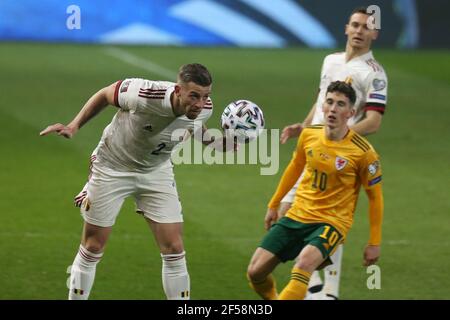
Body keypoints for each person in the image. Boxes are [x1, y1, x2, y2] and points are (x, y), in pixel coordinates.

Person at [40, 63, 216, 300]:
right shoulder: (144, 93)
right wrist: (74, 125)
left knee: (174, 248)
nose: (200, 103)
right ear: (178, 90)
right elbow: (104, 94)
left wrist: (227, 143)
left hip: (156, 171)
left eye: (205, 96)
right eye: (194, 96)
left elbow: (197, 128)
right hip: (112, 166)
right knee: (93, 246)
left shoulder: (204, 108)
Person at [278, 6, 388, 299]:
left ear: (374, 34)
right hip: (312, 148)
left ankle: (328, 289)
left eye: (366, 27)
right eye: (355, 25)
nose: (359, 31)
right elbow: (321, 101)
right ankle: (314, 277)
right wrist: (303, 127)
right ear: (346, 28)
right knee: (286, 212)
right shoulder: (331, 61)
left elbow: (374, 121)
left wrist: (340, 139)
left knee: (327, 220)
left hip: (340, 158)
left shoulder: (374, 75)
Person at [246, 81, 384, 300]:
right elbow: (294, 169)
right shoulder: (309, 135)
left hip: (331, 222)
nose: (333, 109)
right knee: (255, 272)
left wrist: (374, 242)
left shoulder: (364, 153)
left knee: (303, 265)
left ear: (351, 112)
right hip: (297, 215)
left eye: (340, 104)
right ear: (322, 106)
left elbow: (375, 198)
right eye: (329, 102)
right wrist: (274, 204)